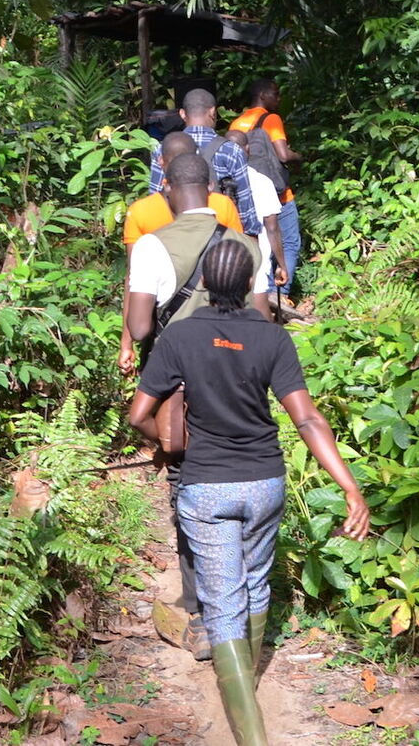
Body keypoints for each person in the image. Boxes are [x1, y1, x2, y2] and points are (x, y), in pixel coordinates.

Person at [125, 238, 370, 746]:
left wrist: (169, 447)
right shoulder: (273, 339)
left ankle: (250, 733)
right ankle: (248, 688)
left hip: (207, 486)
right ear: (251, 283)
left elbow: (138, 416)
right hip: (264, 482)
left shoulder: (179, 337)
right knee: (256, 583)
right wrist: (351, 488)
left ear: (209, 284)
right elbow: (306, 417)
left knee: (221, 600)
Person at [121, 152, 271, 661]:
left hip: (177, 386)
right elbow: (263, 316)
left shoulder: (150, 246)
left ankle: (203, 608)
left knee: (188, 484)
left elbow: (140, 329)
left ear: (166, 187)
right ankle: (245, 606)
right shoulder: (248, 243)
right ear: (212, 188)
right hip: (240, 379)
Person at [118, 132, 245, 378]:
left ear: (161, 163)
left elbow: (133, 281)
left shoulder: (141, 211)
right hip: (219, 326)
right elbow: (241, 265)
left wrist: (126, 343)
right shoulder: (222, 205)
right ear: (197, 160)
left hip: (163, 328)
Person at [148, 89, 261, 239]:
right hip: (219, 236)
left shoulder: (163, 149)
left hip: (175, 235)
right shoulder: (231, 150)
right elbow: (245, 205)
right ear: (213, 112)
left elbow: (156, 197)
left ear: (182, 114)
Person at [231, 79, 301, 299]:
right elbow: (283, 155)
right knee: (289, 241)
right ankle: (280, 292)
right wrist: (300, 157)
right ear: (263, 94)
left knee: (259, 240)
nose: (278, 99)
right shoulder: (271, 119)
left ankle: (260, 289)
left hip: (247, 192)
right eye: (276, 94)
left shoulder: (236, 123)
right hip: (278, 193)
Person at [229, 125, 288, 296]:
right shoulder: (262, 182)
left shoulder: (214, 181)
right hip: (257, 259)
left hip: (223, 261)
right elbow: (272, 228)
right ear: (247, 150)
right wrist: (282, 265)